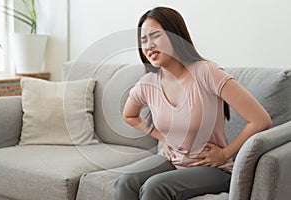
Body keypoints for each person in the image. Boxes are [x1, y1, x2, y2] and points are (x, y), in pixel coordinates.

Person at [114, 6, 271, 200]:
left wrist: (224, 154)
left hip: (212, 169)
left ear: (175, 35)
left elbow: (260, 120)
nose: (149, 45)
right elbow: (129, 115)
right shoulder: (148, 83)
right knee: (125, 182)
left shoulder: (207, 72)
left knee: (155, 187)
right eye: (143, 40)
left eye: (155, 36)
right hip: (172, 160)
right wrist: (163, 137)